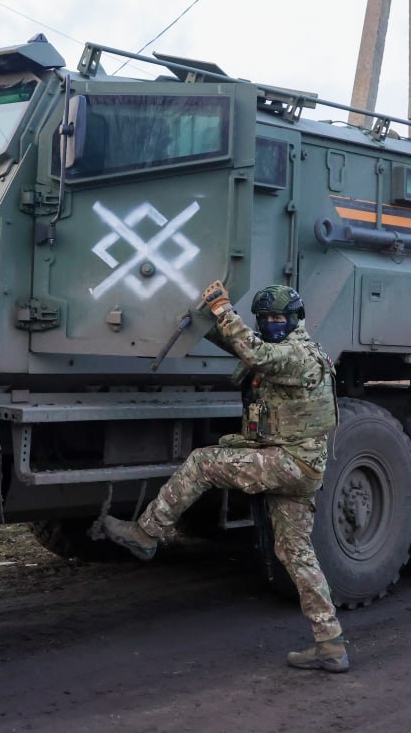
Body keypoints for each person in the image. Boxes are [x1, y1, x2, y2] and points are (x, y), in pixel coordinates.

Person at [100, 281, 348, 673]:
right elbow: (247, 348)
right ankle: (330, 644)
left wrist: (221, 308)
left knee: (201, 463)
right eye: (264, 318)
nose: (271, 324)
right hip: (299, 464)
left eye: (278, 317)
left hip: (289, 463)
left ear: (295, 319)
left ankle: (147, 533)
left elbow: (256, 353)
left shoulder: (293, 354)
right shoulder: (306, 349)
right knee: (295, 553)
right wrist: (212, 324)